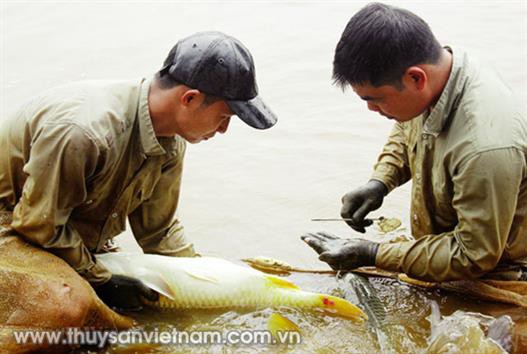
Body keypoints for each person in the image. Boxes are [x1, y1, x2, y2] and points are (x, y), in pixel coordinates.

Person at [0, 31, 277, 311]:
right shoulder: (84, 132)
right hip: (15, 224)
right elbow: (38, 224)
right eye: (225, 117)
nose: (223, 130)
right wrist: (103, 281)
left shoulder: (171, 140)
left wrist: (208, 278)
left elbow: (160, 232)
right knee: (72, 307)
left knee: (157, 305)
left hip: (61, 230)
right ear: (190, 99)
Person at [302, 3, 527, 282]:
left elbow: (473, 253)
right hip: (454, 250)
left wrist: (374, 253)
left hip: (498, 269)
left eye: (376, 99)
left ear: (415, 78)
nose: (372, 110)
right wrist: (381, 182)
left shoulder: (484, 147)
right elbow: (408, 124)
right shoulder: (441, 72)